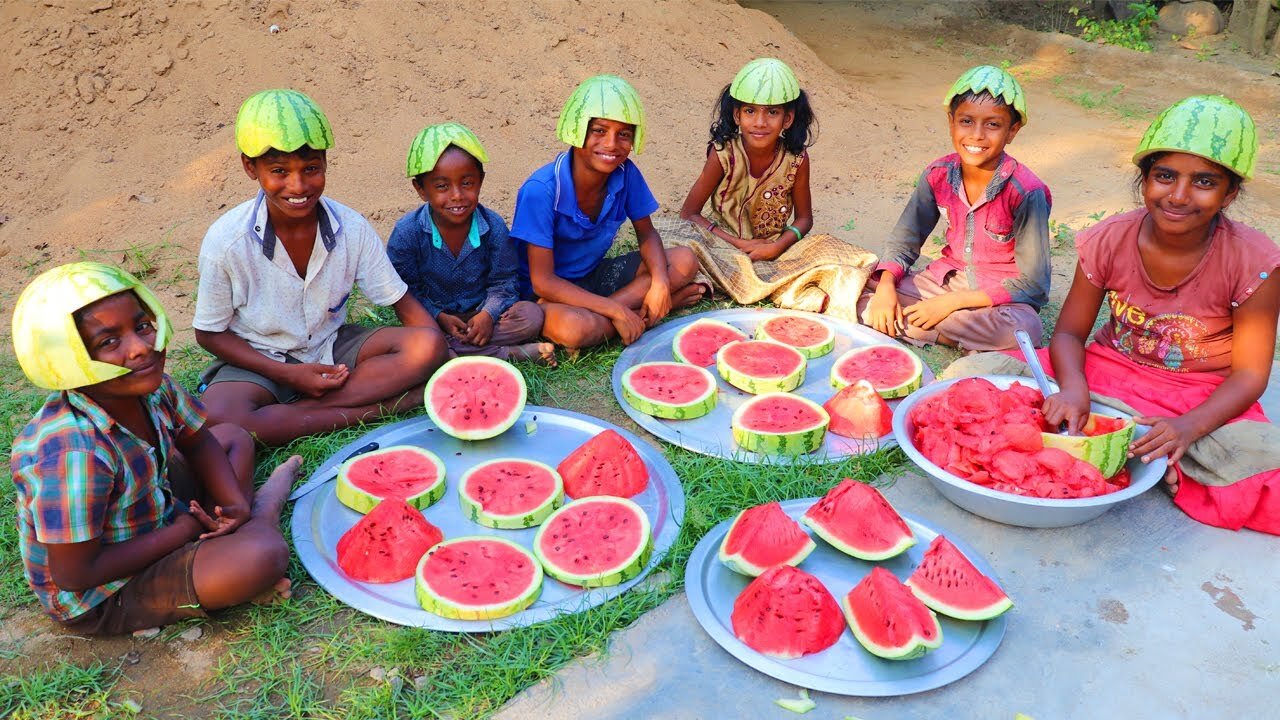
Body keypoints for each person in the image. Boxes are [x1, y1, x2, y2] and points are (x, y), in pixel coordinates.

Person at [9, 262, 301, 635]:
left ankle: (237, 524)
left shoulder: (152, 386)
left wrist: (233, 504)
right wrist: (182, 531)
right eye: (109, 342)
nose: (141, 348)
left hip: (152, 510)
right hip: (106, 592)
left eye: (142, 326)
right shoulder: (72, 456)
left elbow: (200, 441)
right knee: (263, 555)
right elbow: (74, 573)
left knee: (234, 437)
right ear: (66, 361)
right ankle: (261, 519)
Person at [1039, 95, 1280, 534]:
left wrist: (1187, 428)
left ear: (1230, 194)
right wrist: (1074, 390)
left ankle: (1153, 449)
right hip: (1107, 374)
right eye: (1164, 176)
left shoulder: (1255, 260)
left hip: (1201, 395)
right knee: (982, 376)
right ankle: (1152, 453)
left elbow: (1249, 376)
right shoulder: (1107, 239)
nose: (1179, 195)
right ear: (1144, 180)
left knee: (1264, 476)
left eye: (1204, 182)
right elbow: (1070, 335)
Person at [194, 89, 447, 445]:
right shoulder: (226, 242)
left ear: (326, 163)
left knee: (426, 346)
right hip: (258, 357)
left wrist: (437, 355)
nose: (297, 186)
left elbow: (403, 305)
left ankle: (291, 418)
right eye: (279, 171)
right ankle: (371, 411)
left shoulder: (352, 228)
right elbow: (209, 333)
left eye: (311, 169)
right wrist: (288, 375)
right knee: (219, 419)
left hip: (331, 347)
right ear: (250, 168)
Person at [859, 65, 1051, 352]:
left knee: (1023, 330)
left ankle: (926, 328)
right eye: (966, 121)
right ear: (951, 122)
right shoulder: (937, 175)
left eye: (993, 125)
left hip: (997, 299)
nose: (977, 135)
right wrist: (887, 287)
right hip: (944, 282)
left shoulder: (1026, 191)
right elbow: (905, 240)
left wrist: (951, 304)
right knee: (860, 291)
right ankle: (942, 329)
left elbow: (1033, 285)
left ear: (1012, 130)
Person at [669, 57, 877, 320]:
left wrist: (777, 246)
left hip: (777, 250)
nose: (760, 122)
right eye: (750, 111)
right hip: (721, 245)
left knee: (835, 252)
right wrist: (740, 243)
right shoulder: (723, 153)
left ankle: (758, 282)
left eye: (772, 112)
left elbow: (804, 219)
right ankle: (782, 287)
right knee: (676, 243)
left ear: (787, 119)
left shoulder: (796, 160)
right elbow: (689, 214)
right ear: (737, 115)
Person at [509, 74, 701, 351]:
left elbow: (647, 234)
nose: (612, 144)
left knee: (684, 259)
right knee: (575, 330)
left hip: (595, 278)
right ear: (576, 130)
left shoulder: (626, 173)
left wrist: (659, 282)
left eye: (624, 134)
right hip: (547, 297)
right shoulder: (540, 190)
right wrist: (617, 311)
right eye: (599, 130)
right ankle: (639, 316)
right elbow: (543, 282)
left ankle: (625, 314)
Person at [387, 123, 554, 365]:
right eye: (442, 186)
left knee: (531, 315)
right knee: (423, 338)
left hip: (485, 314)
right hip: (435, 320)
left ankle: (458, 352)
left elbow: (504, 283)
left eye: (467, 183)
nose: (457, 195)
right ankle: (507, 355)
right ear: (420, 189)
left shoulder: (493, 226)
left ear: (481, 181)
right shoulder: (407, 233)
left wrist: (488, 314)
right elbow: (406, 292)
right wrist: (439, 316)